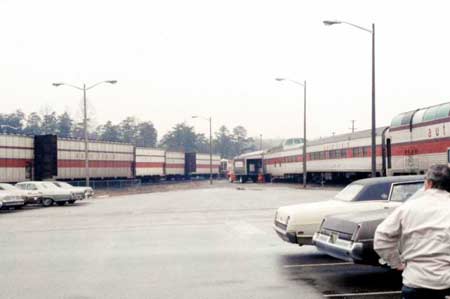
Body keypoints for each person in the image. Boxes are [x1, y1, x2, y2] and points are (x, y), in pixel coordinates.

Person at [374, 164, 450, 299]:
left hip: (416, 282)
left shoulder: (408, 208)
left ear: (429, 183)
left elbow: (381, 238)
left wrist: (396, 263)